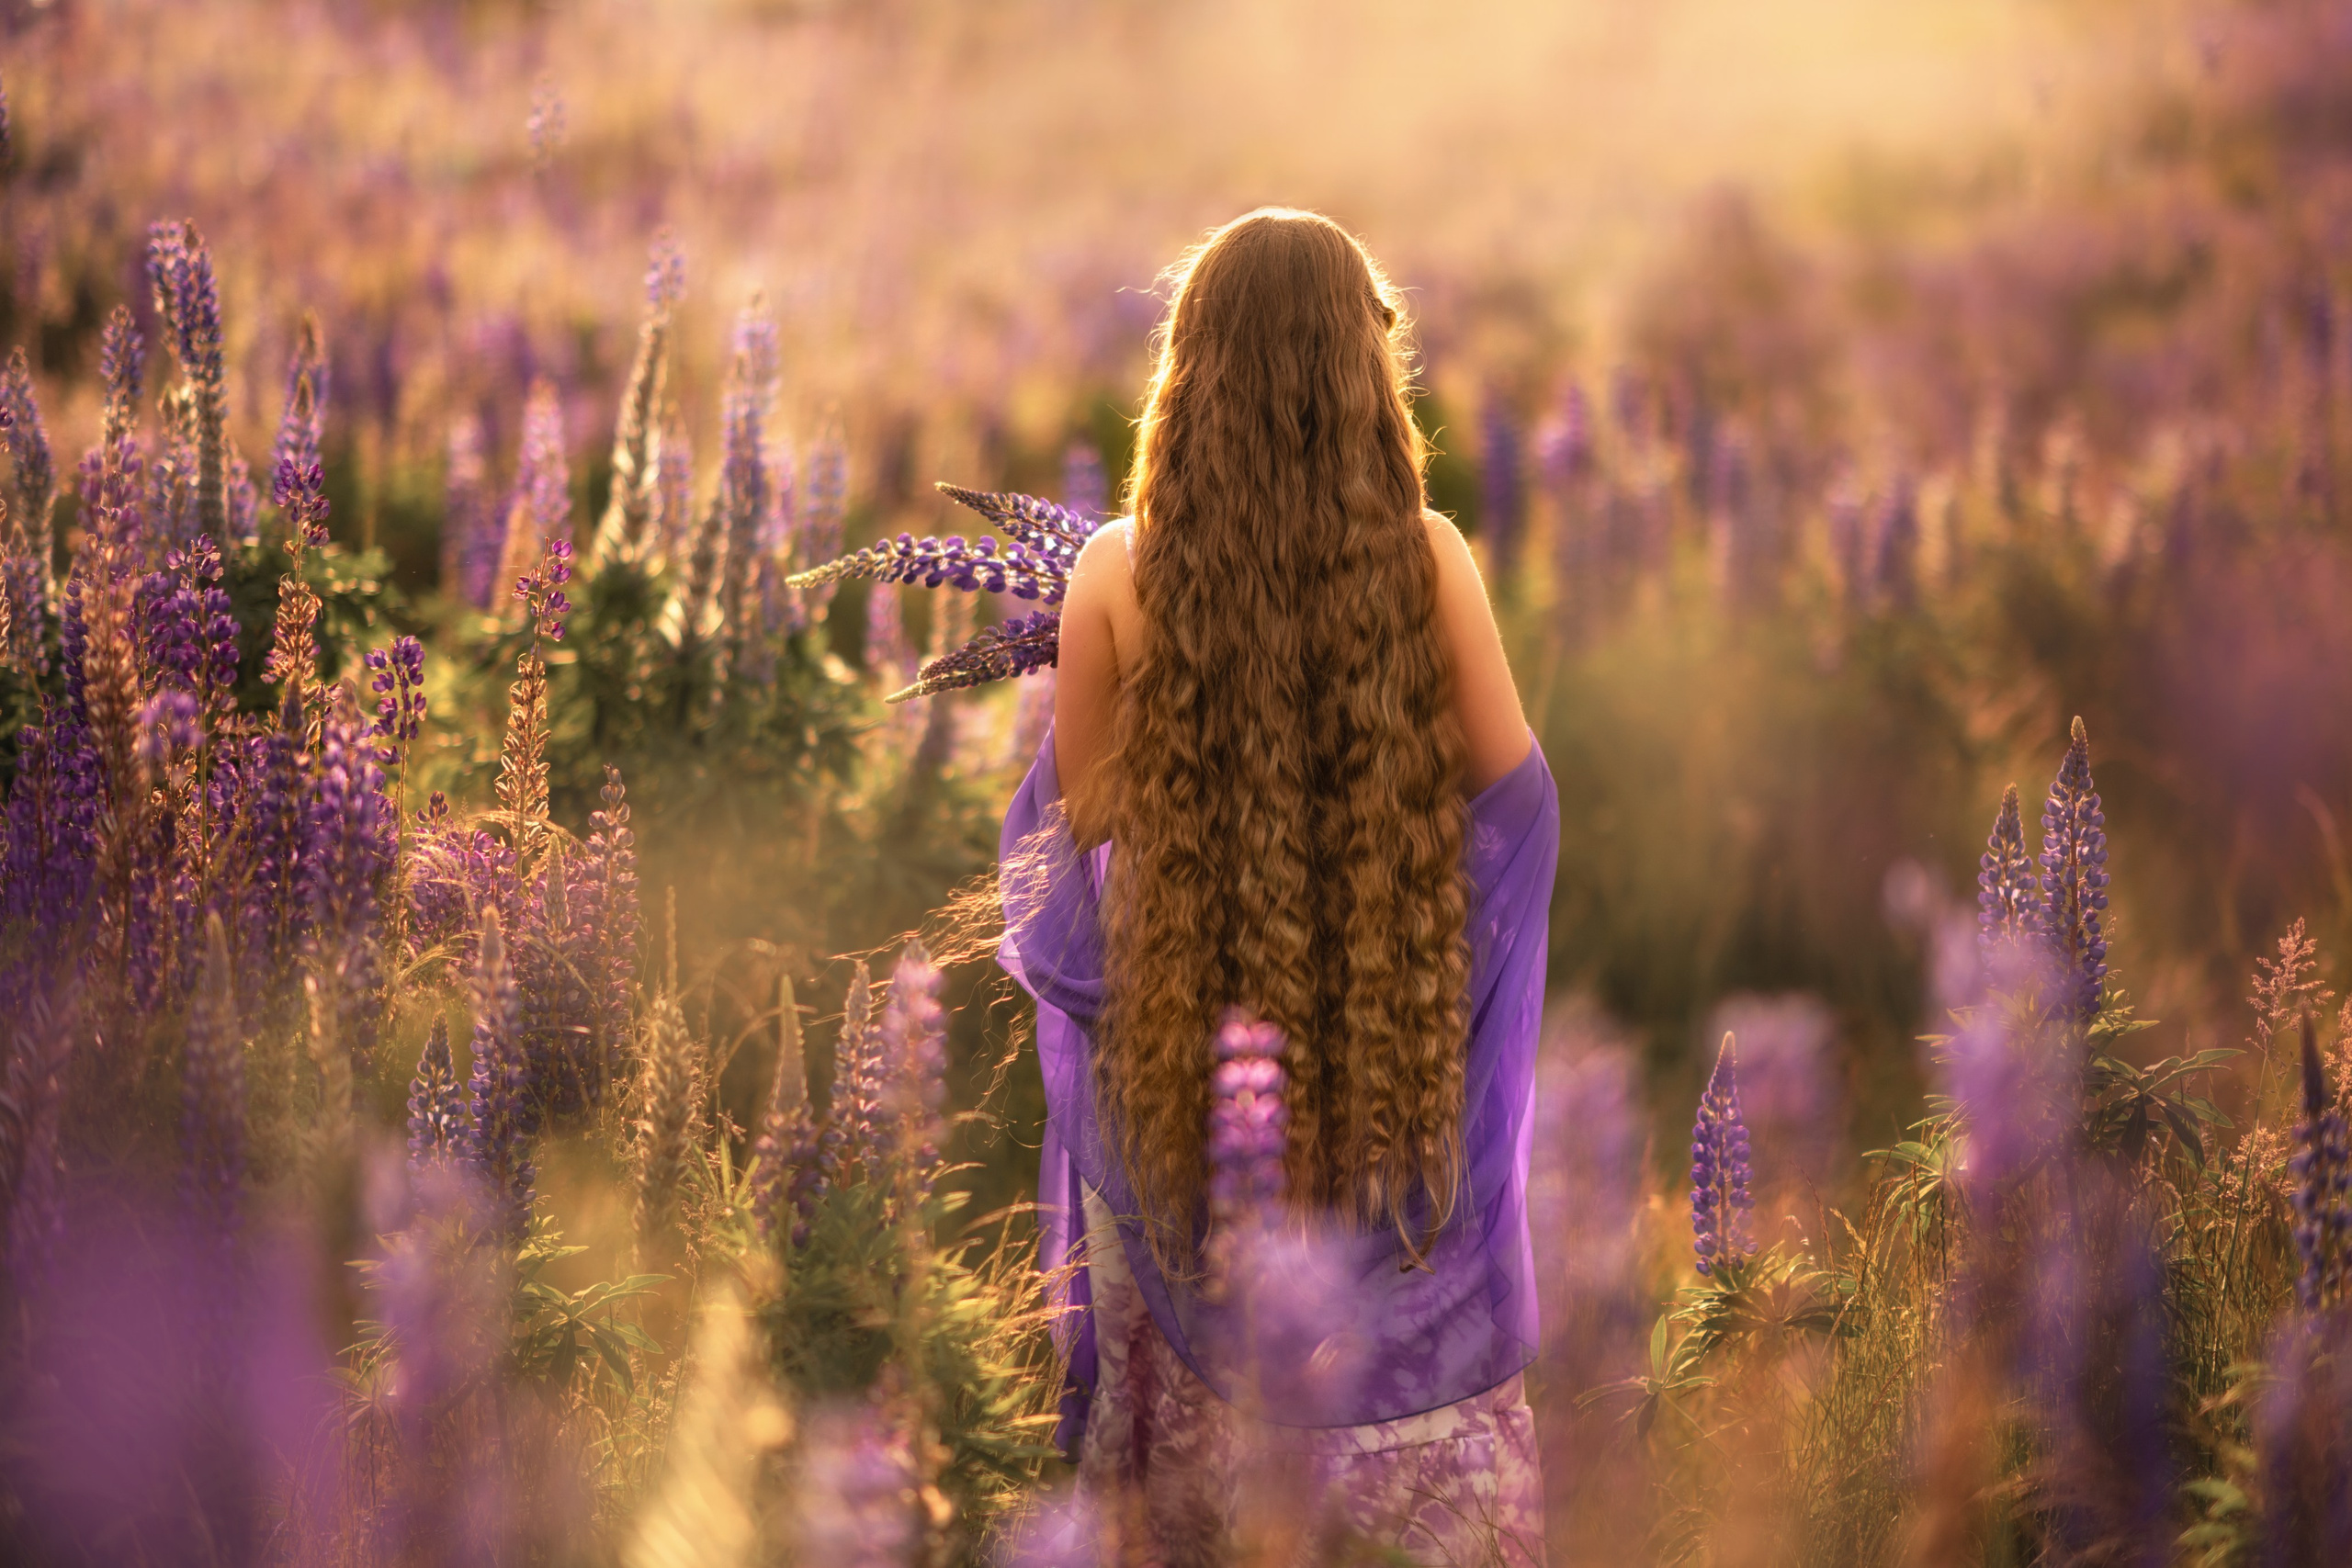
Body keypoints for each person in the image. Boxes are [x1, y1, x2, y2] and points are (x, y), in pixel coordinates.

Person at [999, 208, 1558, 1566]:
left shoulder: (1116, 574)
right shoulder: (1426, 559)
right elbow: (1523, 815)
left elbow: (1065, 868)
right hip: (1390, 1033)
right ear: (1359, 373)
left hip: (1189, 1077)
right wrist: (1426, 968)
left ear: (1191, 374)